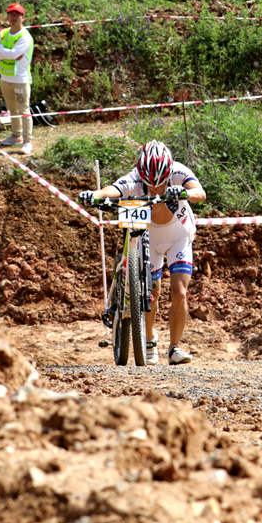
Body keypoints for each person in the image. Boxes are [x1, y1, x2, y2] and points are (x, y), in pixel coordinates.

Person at [79, 141, 206, 365]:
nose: (156, 189)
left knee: (179, 293)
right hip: (148, 236)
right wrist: (95, 194)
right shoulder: (134, 177)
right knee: (152, 292)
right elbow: (113, 190)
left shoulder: (179, 171)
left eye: (162, 184)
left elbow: (200, 193)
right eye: (151, 184)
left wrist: (184, 191)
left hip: (178, 235)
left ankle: (174, 348)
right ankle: (148, 339)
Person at [0, 3, 34, 156]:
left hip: (20, 80)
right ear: (8, 16)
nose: (14, 17)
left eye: (17, 14)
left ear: (23, 17)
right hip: (5, 79)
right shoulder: (3, 33)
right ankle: (15, 136)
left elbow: (7, 53)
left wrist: (3, 50)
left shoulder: (25, 36)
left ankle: (27, 141)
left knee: (24, 110)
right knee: (12, 109)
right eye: (11, 14)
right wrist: (7, 52)